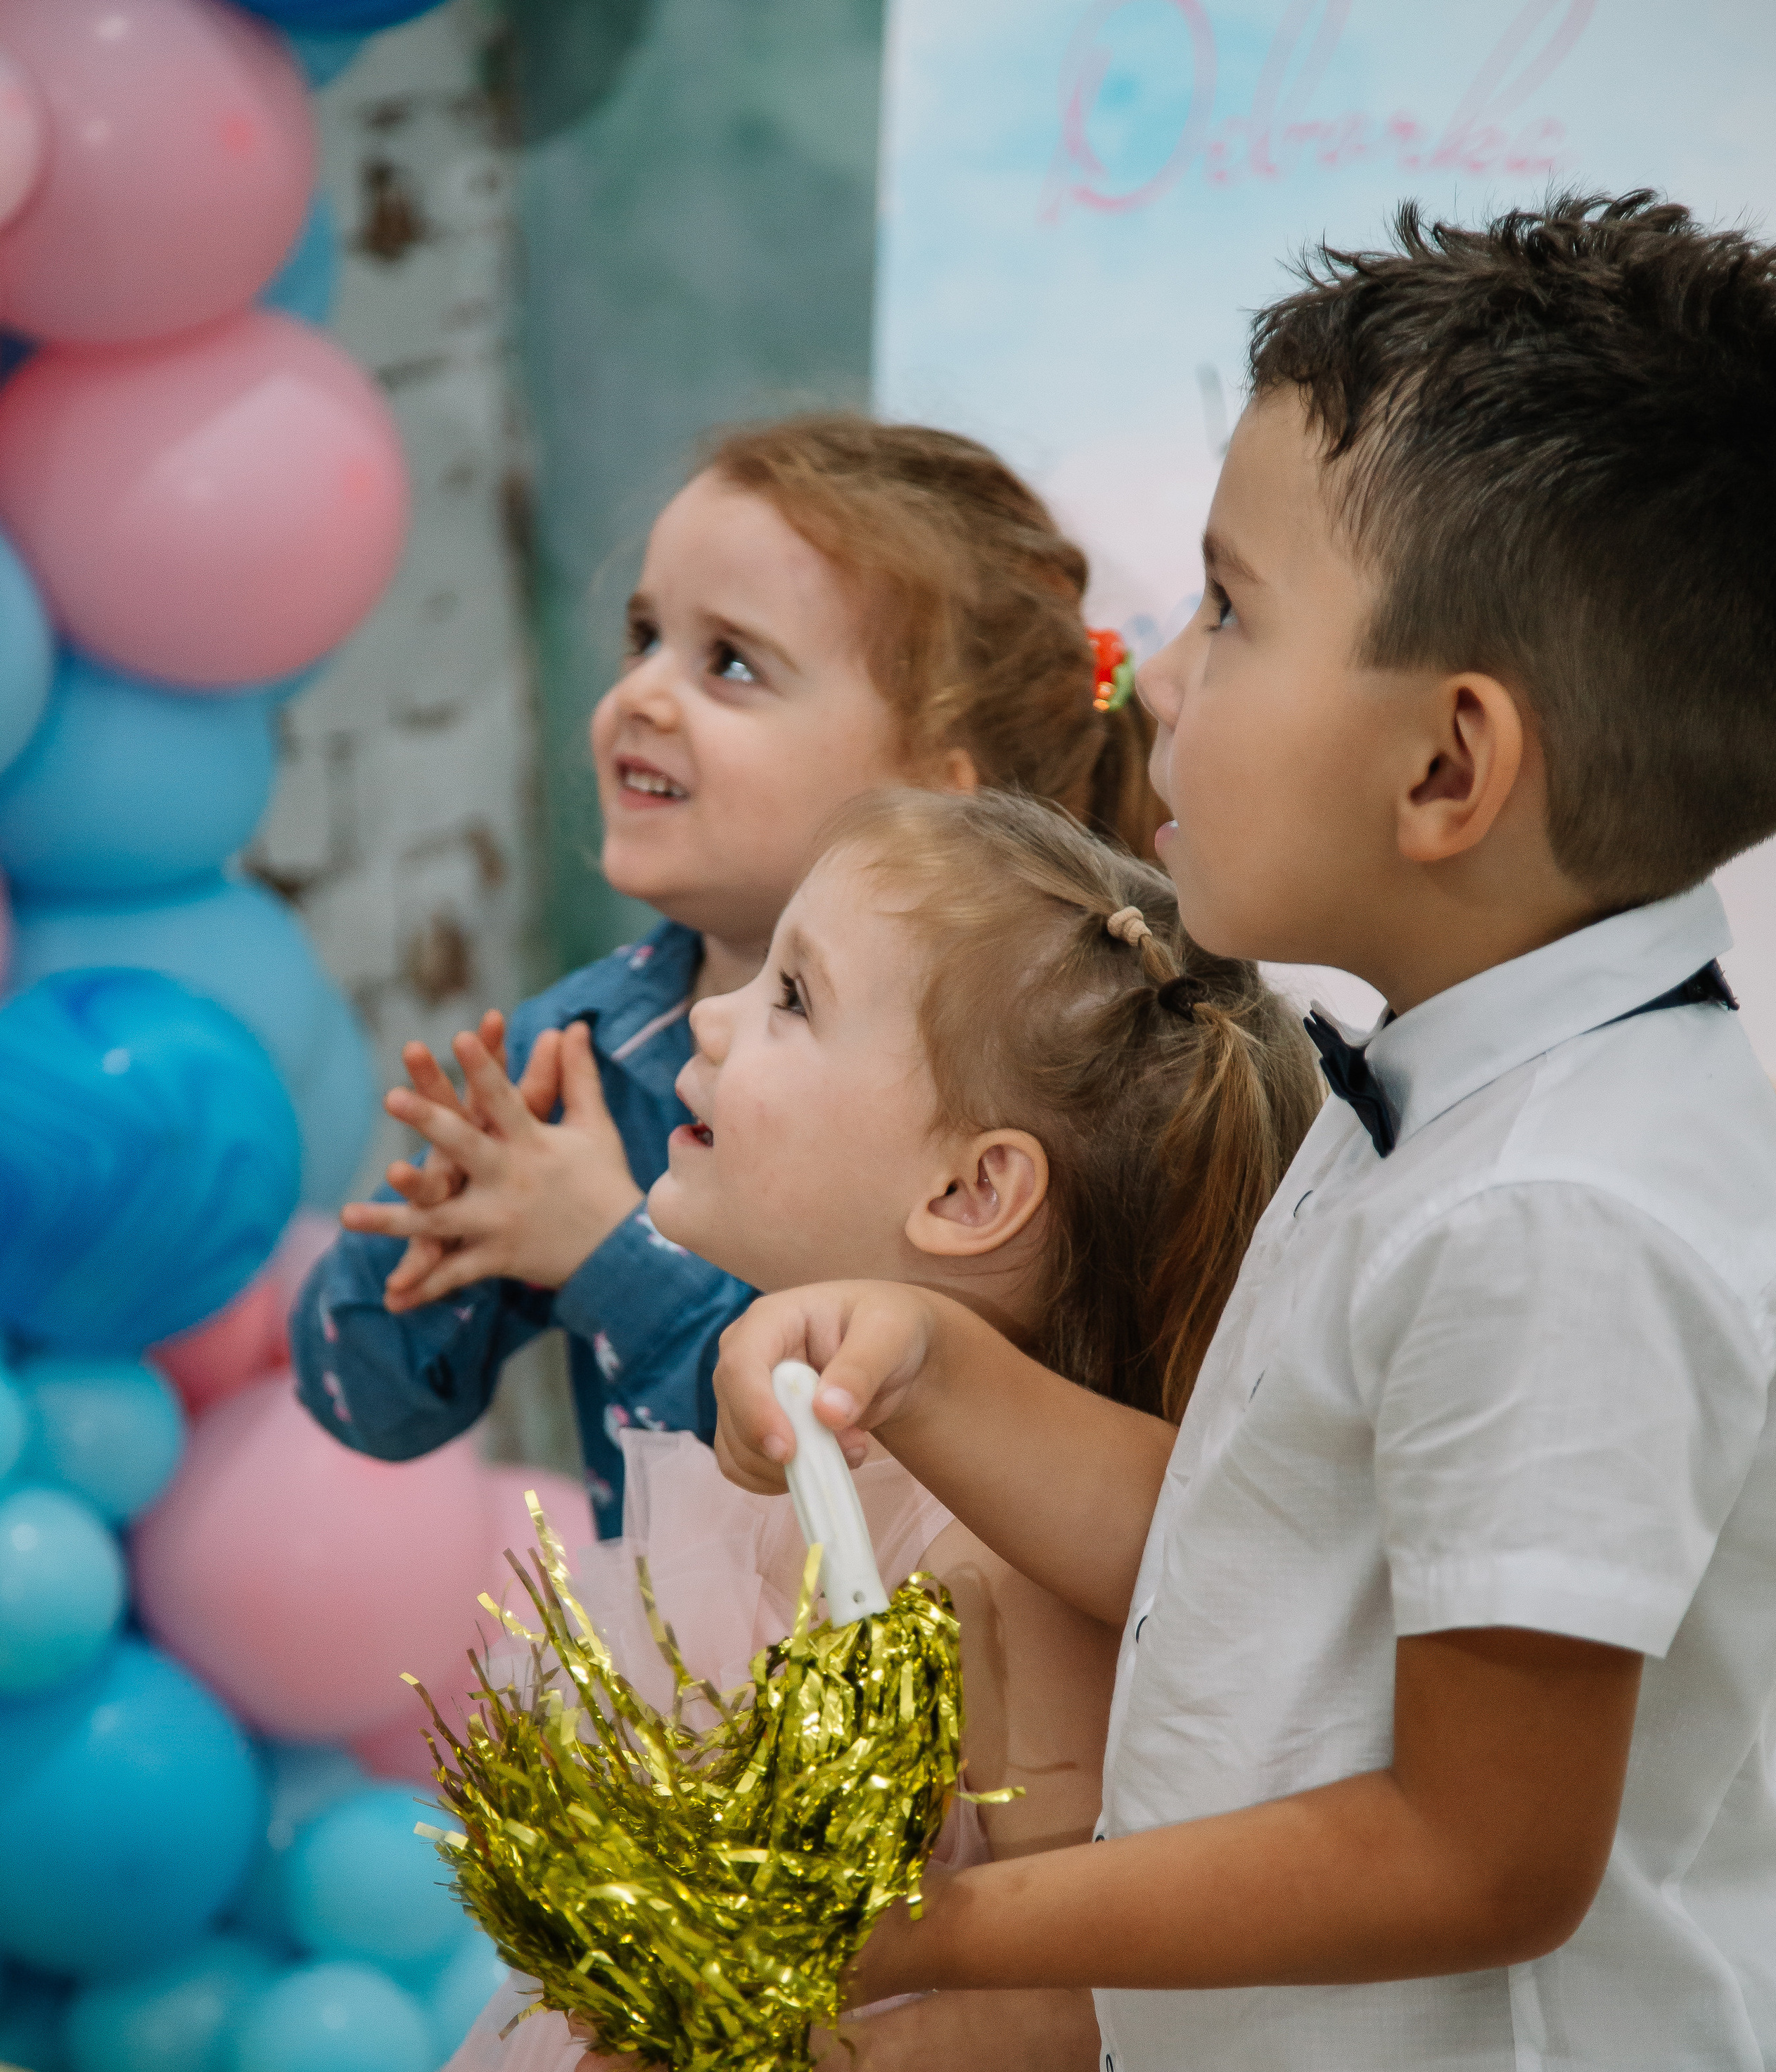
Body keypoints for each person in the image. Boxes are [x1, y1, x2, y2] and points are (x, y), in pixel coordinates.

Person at [706, 196, 1776, 2072]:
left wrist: (953, 1928)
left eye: (1222, 609)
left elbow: (1480, 1844)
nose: (1152, 675)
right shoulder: (1441, 1088)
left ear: (1450, 762)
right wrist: (947, 1373)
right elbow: (1274, 1573)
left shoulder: (1561, 1214)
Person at [179, 788, 1319, 2072]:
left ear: (969, 1194)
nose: (698, 1028)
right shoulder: (772, 1422)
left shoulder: (1010, 1568)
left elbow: (1071, 2019)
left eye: (788, 1000)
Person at [289, 414, 1166, 1535]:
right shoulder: (585, 1062)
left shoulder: (1054, 1079)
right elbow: (364, 1403)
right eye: (644, 635)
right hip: (692, 1692)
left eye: (732, 663)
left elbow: (836, 1464)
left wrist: (610, 1252)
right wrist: (440, 1229)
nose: (645, 695)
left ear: (944, 799)